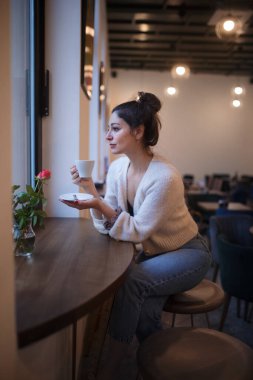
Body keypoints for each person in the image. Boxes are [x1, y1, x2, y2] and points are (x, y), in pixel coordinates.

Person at [60, 91, 211, 379]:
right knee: (143, 315)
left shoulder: (165, 177)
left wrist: (99, 203)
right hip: (154, 255)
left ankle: (109, 368)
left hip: (189, 253)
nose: (108, 136)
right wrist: (91, 192)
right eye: (108, 129)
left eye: (115, 129)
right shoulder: (118, 169)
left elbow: (136, 229)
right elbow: (108, 225)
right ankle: (159, 365)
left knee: (132, 282)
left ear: (139, 131)